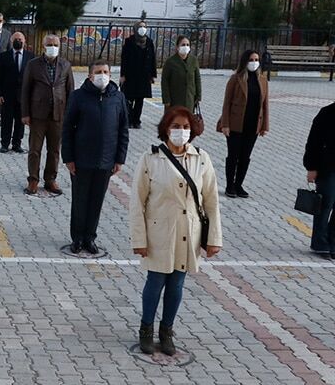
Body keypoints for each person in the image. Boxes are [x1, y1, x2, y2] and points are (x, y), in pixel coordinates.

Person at [130, 106, 222, 356]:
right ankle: (146, 329)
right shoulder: (150, 159)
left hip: (188, 233)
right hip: (159, 233)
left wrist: (214, 239)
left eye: (185, 127)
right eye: (175, 127)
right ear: (165, 129)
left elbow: (211, 201)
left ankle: (167, 330)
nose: (180, 132)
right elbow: (137, 201)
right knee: (156, 281)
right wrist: (139, 238)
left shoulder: (202, 158)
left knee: (177, 284)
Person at [63, 61, 129, 254]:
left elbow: (123, 130)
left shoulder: (117, 98)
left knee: (96, 201)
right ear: (90, 76)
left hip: (106, 160)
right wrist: (68, 158)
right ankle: (77, 238)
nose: (103, 75)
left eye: (106, 72)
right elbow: (67, 129)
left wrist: (119, 159)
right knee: (80, 200)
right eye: (98, 72)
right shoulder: (78, 96)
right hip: (82, 160)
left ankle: (90, 237)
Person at [21, 35, 74, 195]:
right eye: (49, 44)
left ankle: (50, 179)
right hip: (38, 115)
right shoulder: (33, 64)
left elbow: (70, 91)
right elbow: (25, 90)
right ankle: (33, 180)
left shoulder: (65, 65)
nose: (52, 47)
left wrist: (70, 116)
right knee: (34, 150)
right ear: (43, 46)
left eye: (55, 44)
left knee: (54, 150)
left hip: (58, 115)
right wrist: (25, 113)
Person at [216, 50, 269, 198]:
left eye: (256, 59)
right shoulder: (236, 79)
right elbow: (226, 103)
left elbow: (265, 105)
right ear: (245, 62)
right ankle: (229, 185)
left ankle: (239, 184)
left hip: (253, 126)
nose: (254, 62)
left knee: (245, 157)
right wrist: (225, 124)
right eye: (251, 60)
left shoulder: (263, 80)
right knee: (233, 156)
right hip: (235, 124)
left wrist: (264, 126)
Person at [304, 101, 335, 259]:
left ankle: (332, 242)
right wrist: (311, 167)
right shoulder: (327, 113)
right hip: (327, 168)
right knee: (325, 205)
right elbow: (313, 143)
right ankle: (320, 243)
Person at [0, 31, 32, 154]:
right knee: (6, 120)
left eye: (20, 39)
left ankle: (17, 144)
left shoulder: (30, 57)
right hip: (7, 95)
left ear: (25, 41)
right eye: (16, 39)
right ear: (11, 41)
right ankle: (4, 144)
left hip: (23, 96)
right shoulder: (4, 56)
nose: (18, 41)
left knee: (20, 122)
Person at [119, 21, 156, 128]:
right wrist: (123, 75)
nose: (142, 29)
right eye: (140, 27)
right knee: (129, 99)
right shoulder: (129, 41)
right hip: (131, 75)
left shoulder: (149, 42)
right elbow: (124, 59)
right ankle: (129, 120)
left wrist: (152, 75)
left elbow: (152, 59)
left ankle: (137, 120)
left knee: (140, 100)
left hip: (144, 76)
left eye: (144, 27)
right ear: (135, 28)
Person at [160, 35, 201, 111]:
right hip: (175, 100)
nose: (185, 47)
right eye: (183, 45)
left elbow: (197, 79)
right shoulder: (170, 62)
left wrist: (198, 96)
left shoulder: (193, 60)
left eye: (187, 45)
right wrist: (166, 100)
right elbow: (164, 82)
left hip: (190, 99)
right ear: (177, 47)